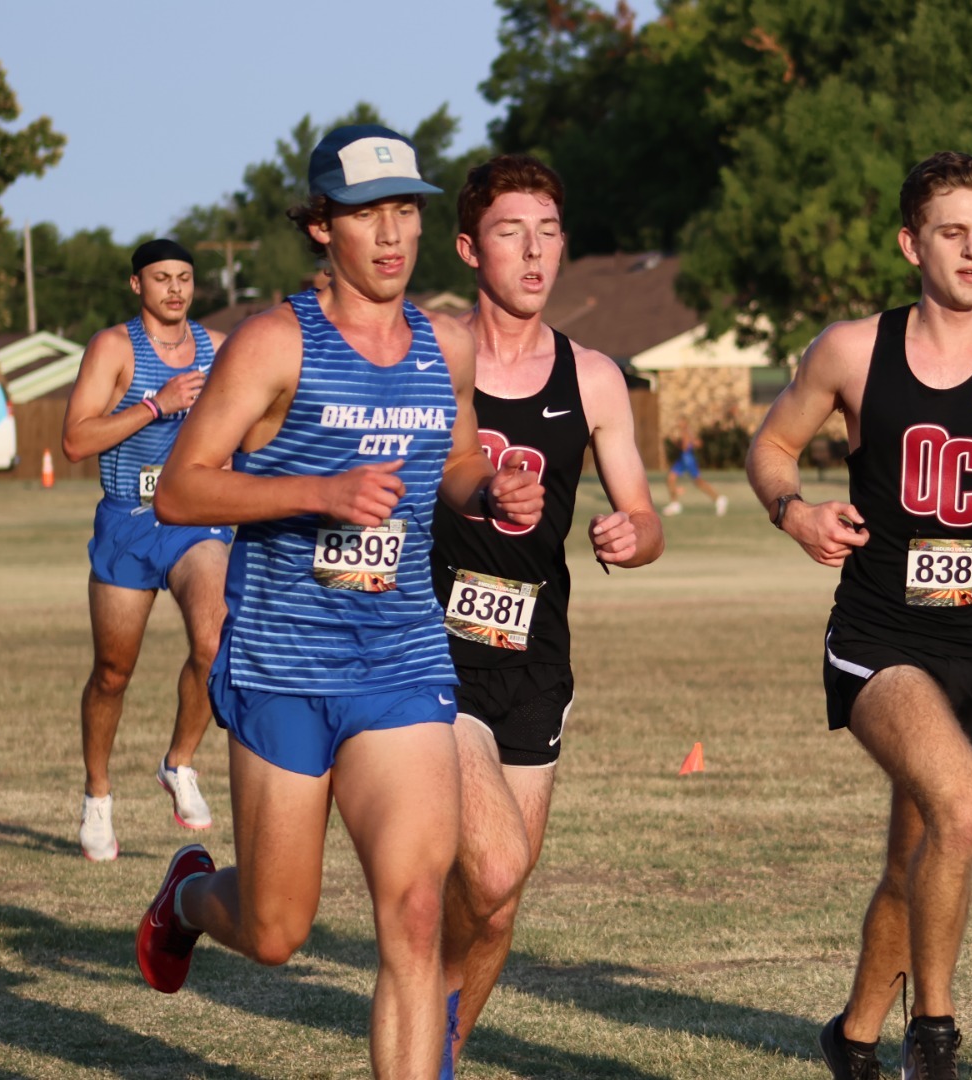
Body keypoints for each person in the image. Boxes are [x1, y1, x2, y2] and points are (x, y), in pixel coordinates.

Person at [137, 124, 543, 1079]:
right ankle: (190, 898)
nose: (393, 234)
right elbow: (181, 489)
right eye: (368, 214)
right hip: (282, 667)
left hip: (400, 660)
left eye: (406, 210)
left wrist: (488, 492)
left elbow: (454, 457)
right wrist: (315, 491)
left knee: (411, 915)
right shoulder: (276, 341)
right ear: (323, 225)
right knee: (276, 929)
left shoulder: (445, 343)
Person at [747, 151, 972, 1080]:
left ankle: (855, 1037)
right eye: (954, 232)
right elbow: (772, 448)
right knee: (963, 810)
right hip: (879, 641)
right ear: (913, 242)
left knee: (922, 857)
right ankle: (935, 1040)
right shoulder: (852, 349)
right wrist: (798, 514)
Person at [431, 154, 664, 1073]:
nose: (534, 253)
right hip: (426, 651)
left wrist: (628, 536)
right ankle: (423, 1046)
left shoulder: (596, 378)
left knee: (499, 900)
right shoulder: (432, 354)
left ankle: (437, 1043)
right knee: (488, 869)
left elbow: (645, 519)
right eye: (509, 232)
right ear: (467, 248)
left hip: (534, 659)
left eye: (549, 232)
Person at [59, 239, 232, 860]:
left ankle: (179, 763)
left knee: (215, 641)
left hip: (194, 521)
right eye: (162, 278)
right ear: (138, 285)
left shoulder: (217, 347)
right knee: (112, 673)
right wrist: (156, 405)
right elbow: (76, 440)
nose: (175, 289)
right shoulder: (114, 347)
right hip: (127, 522)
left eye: (184, 278)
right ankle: (97, 797)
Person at [663, 415, 727, 516]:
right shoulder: (686, 433)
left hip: (688, 460)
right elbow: (697, 443)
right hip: (682, 459)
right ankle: (674, 504)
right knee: (671, 478)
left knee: (699, 482)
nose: (678, 423)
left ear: (685, 423)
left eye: (680, 421)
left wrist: (677, 442)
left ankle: (719, 499)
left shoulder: (685, 433)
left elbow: (685, 447)